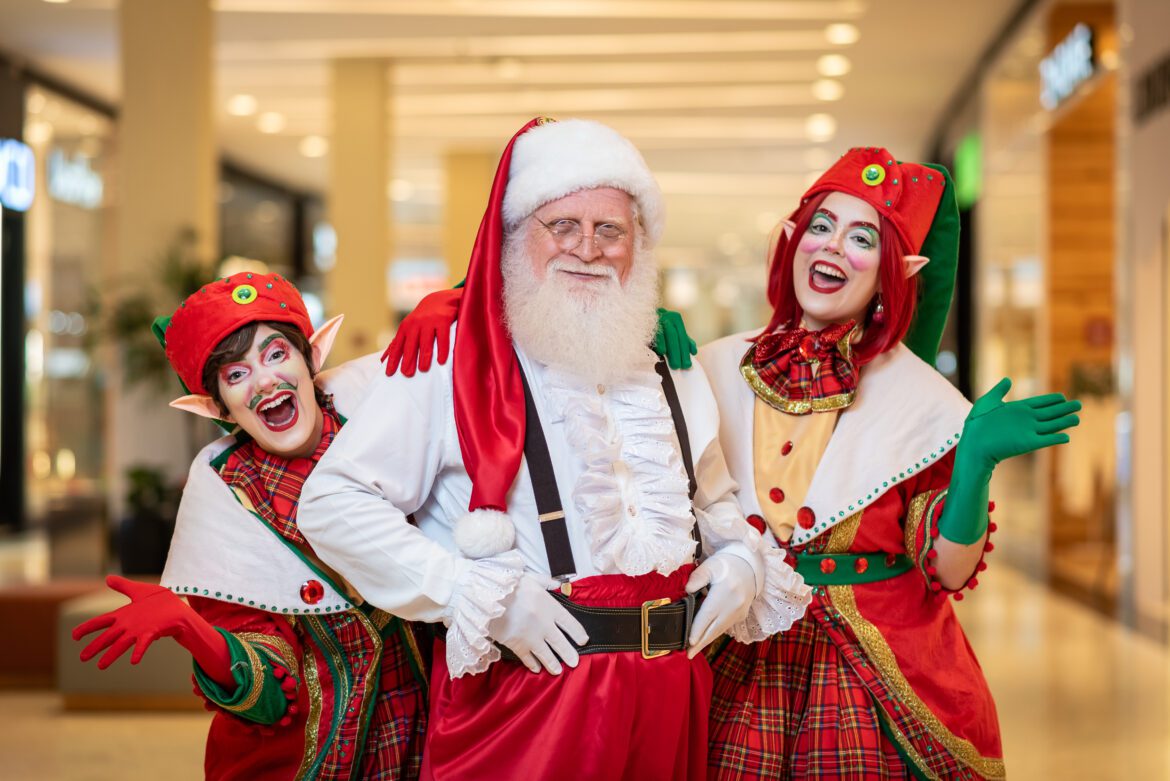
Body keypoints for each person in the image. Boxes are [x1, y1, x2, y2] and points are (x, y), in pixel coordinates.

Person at [297, 117, 811, 781]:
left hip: (669, 690)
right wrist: (469, 593)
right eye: (562, 225)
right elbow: (334, 503)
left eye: (610, 230)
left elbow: (711, 498)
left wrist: (740, 559)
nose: (588, 249)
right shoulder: (452, 360)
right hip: (526, 691)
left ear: (638, 246)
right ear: (517, 237)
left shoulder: (670, 365)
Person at [693, 148, 1079, 780]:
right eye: (821, 226)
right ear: (792, 240)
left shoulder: (920, 400)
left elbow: (947, 571)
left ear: (895, 272)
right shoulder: (711, 367)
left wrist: (974, 463)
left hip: (871, 674)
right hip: (740, 651)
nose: (833, 246)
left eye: (862, 238)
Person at [73, 274, 428, 780]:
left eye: (276, 354)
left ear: (311, 358)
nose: (264, 382)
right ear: (217, 407)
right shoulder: (228, 500)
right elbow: (268, 700)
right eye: (236, 374)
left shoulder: (380, 420)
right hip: (311, 761)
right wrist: (195, 631)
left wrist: (446, 303)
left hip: (427, 735)